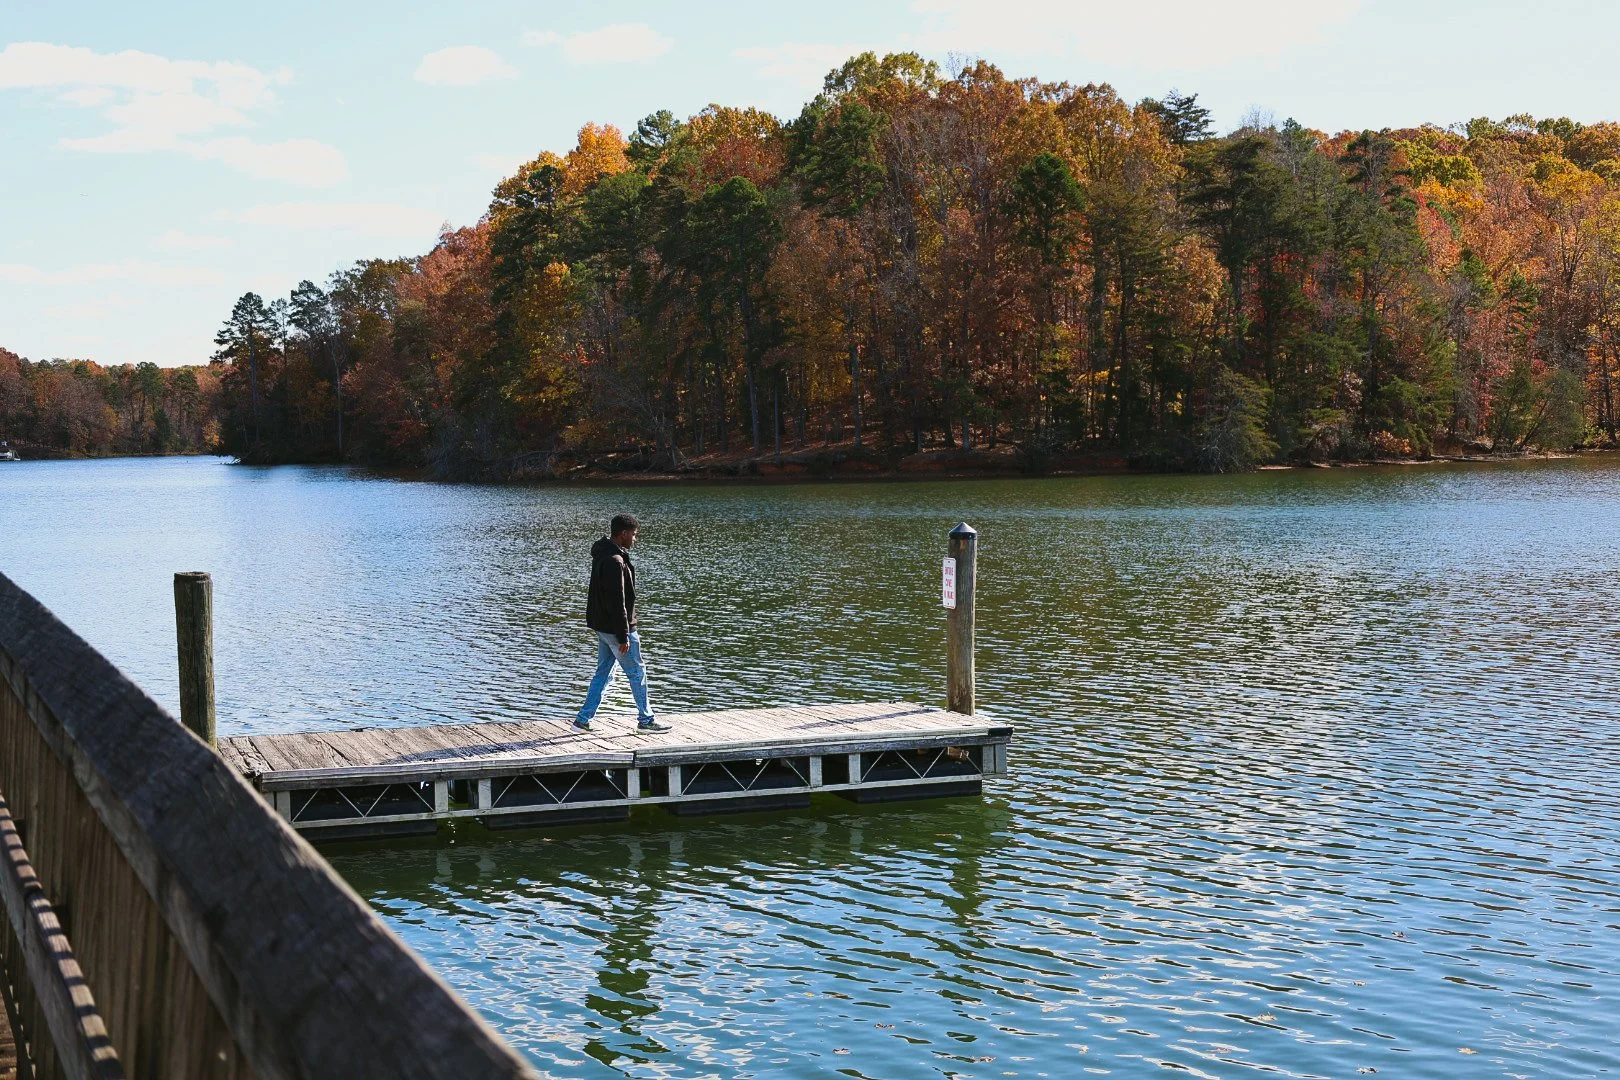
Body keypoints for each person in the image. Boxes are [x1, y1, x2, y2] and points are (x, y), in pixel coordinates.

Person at [574, 513, 670, 733]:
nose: (635, 539)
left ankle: (583, 719)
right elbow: (618, 602)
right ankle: (646, 720)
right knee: (637, 672)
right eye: (634, 535)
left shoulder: (604, 554)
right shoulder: (614, 561)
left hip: (604, 627)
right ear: (623, 534)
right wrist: (623, 635)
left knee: (604, 672)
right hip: (616, 630)